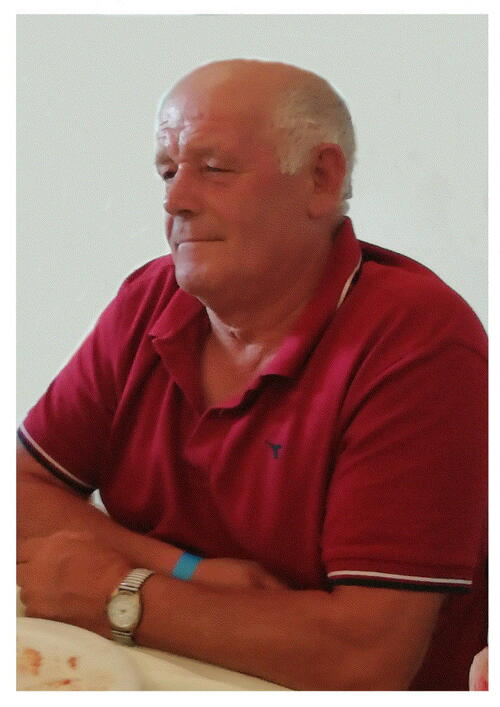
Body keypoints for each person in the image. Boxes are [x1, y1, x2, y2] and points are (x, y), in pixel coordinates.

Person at [16, 59, 487, 691]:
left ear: (321, 179)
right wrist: (183, 571)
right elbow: (21, 491)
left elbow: (365, 658)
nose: (175, 199)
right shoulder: (151, 298)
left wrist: (117, 594)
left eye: (214, 168)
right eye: (168, 171)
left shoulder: (417, 338)